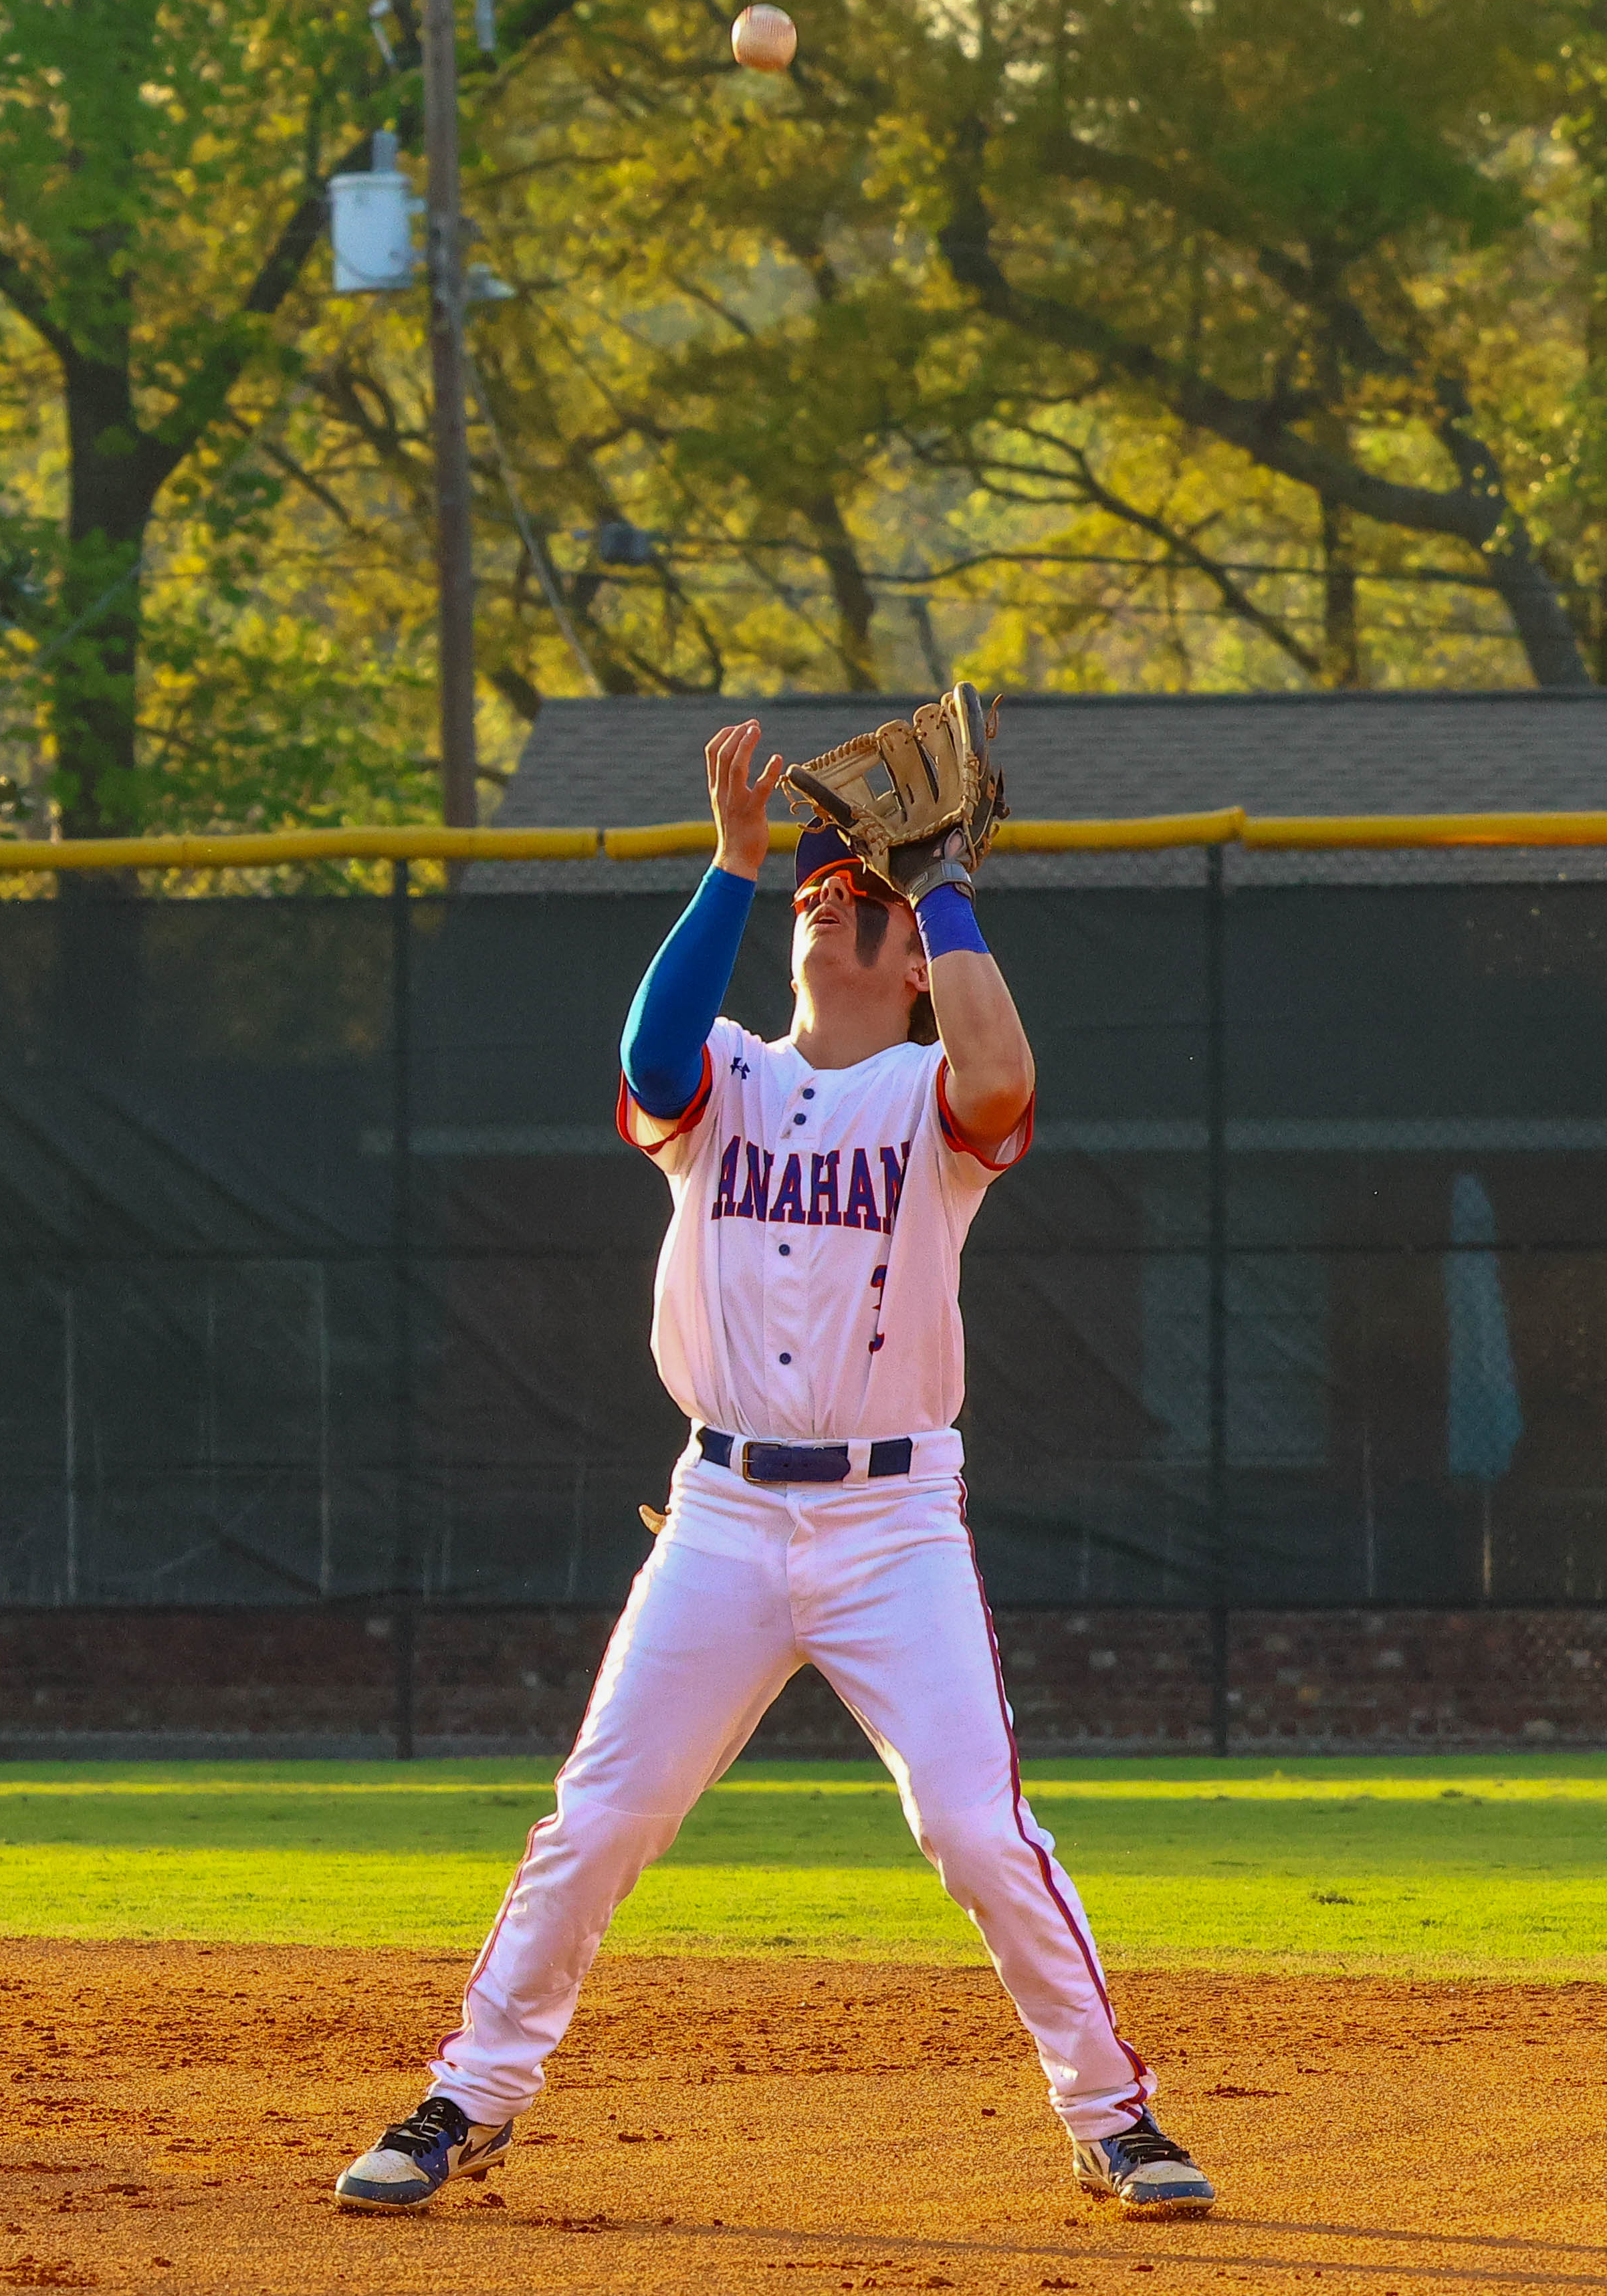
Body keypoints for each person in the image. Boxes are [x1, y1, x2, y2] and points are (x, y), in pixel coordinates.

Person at [334, 710, 1215, 2220]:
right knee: (601, 1813)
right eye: (822, 895)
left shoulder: (931, 1098)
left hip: (892, 1525)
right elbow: (645, 1055)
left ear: (917, 953)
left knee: (971, 1826)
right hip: (723, 1517)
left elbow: (1002, 1080)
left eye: (858, 897)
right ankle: (468, 2095)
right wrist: (734, 866)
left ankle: (1110, 2116)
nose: (835, 905)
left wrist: (940, 889)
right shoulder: (724, 1083)